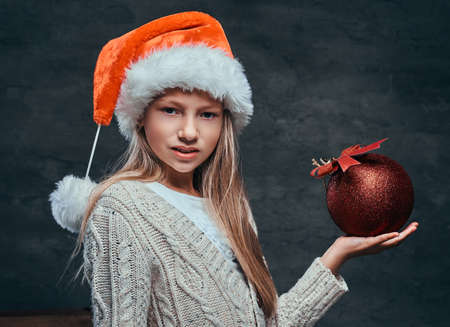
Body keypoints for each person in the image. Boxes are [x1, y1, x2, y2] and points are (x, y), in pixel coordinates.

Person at [49, 11, 418, 327]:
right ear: (141, 118)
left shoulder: (228, 206)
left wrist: (338, 254)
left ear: (225, 123)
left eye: (207, 115)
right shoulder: (121, 207)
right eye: (171, 110)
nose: (190, 132)